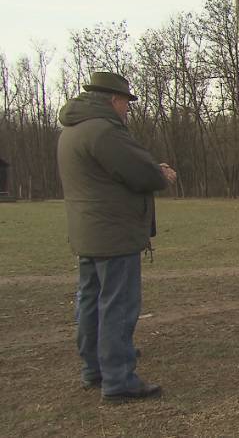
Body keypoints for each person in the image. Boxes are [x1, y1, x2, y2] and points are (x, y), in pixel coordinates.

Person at [57, 71, 177, 403]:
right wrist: (161, 174)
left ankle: (94, 369)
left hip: (88, 232)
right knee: (118, 305)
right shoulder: (104, 131)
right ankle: (119, 378)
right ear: (113, 100)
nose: (127, 110)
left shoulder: (74, 129)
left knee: (91, 302)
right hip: (113, 233)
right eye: (126, 103)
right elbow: (139, 173)